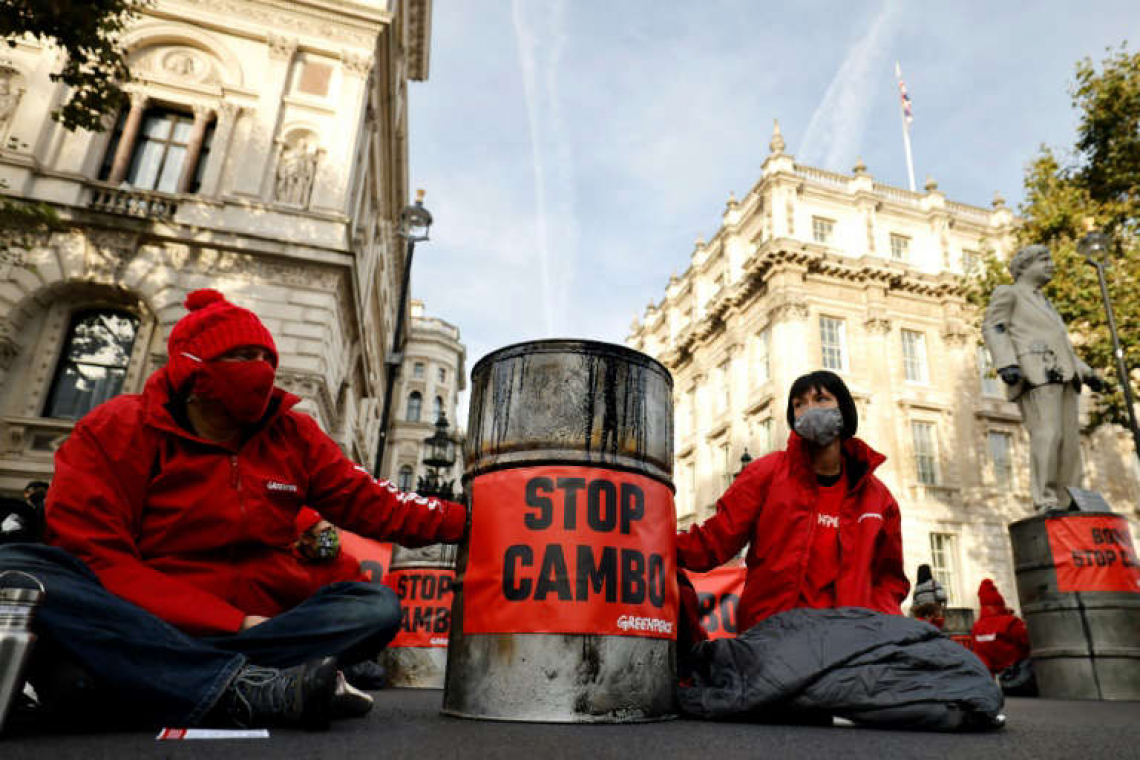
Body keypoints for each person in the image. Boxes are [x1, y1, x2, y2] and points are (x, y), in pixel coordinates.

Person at [0, 289, 467, 731]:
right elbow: (97, 559)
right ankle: (241, 686)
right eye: (244, 358)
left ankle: (145, 675)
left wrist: (465, 518)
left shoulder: (293, 434)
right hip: (152, 613)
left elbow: (370, 501)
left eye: (268, 359)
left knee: (373, 608)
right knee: (22, 568)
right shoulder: (115, 429)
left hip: (260, 623)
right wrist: (231, 623)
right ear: (193, 375)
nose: (261, 370)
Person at [676, 370, 910, 635]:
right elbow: (715, 540)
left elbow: (889, 580)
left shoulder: (878, 498)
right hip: (772, 639)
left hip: (849, 646)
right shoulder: (766, 474)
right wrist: (656, 544)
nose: (809, 409)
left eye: (821, 399)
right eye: (799, 404)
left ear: (844, 409)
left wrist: (876, 626)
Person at [982, 244, 1103, 511]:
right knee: (1047, 435)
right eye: (1044, 260)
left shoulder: (1047, 304)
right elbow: (994, 326)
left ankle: (1070, 497)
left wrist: (1088, 372)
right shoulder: (1009, 294)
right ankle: (1045, 499)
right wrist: (1006, 363)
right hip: (1037, 373)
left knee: (1070, 441)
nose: (1051, 264)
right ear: (1025, 266)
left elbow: (1063, 346)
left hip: (1066, 376)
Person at [970, 579, 1030, 676]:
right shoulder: (1011, 622)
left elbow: (979, 656)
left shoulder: (977, 628)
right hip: (1019, 676)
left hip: (992, 679)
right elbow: (1030, 642)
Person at [909, 564, 948, 629]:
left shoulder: (917, 588)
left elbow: (914, 606)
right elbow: (942, 597)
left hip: (922, 618)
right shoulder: (934, 584)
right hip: (934, 616)